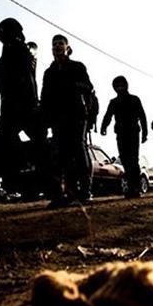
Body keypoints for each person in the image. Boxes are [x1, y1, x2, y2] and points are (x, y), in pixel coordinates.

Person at [0, 18, 49, 215]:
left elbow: (20, 87)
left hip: (18, 110)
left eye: (2, 34)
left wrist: (11, 116)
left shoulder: (16, 52)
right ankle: (58, 192)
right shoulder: (18, 51)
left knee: (0, 154)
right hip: (23, 109)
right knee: (40, 150)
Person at [40, 34, 95, 205]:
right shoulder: (49, 73)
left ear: (67, 47)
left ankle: (85, 191)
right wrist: (44, 116)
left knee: (79, 151)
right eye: (54, 44)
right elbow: (44, 96)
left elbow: (89, 88)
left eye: (60, 43)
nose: (57, 46)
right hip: (57, 118)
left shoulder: (78, 67)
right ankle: (61, 195)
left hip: (77, 116)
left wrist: (73, 87)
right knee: (59, 156)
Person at [100, 76, 148, 198]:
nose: (120, 88)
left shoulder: (134, 99)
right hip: (121, 134)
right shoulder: (114, 102)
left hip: (133, 133)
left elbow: (142, 116)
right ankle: (132, 187)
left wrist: (145, 133)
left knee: (133, 160)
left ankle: (135, 188)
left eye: (122, 85)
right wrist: (103, 127)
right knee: (126, 160)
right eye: (117, 86)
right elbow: (108, 116)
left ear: (126, 85)